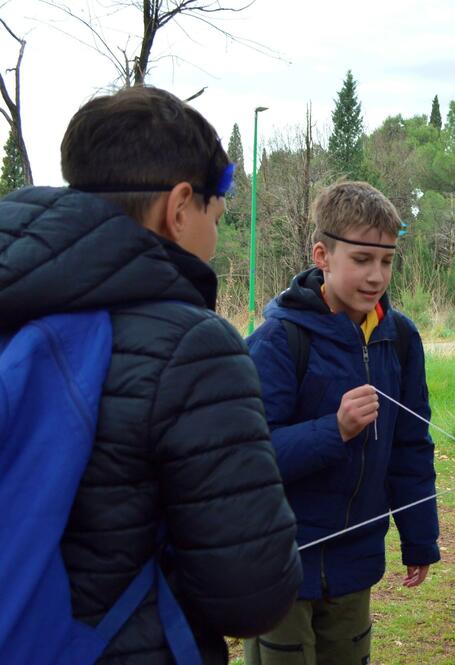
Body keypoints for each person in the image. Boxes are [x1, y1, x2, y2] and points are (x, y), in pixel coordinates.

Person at [0, 86, 302, 663]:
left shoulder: (16, 306)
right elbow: (253, 595)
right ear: (181, 205)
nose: (216, 231)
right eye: (218, 211)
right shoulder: (194, 347)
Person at [245, 180, 440, 665]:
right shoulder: (277, 341)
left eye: (387, 261)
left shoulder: (399, 339)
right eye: (361, 260)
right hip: (280, 565)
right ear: (322, 256)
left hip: (355, 561)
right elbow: (247, 458)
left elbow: (411, 446)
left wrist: (419, 536)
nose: (376, 275)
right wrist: (334, 430)